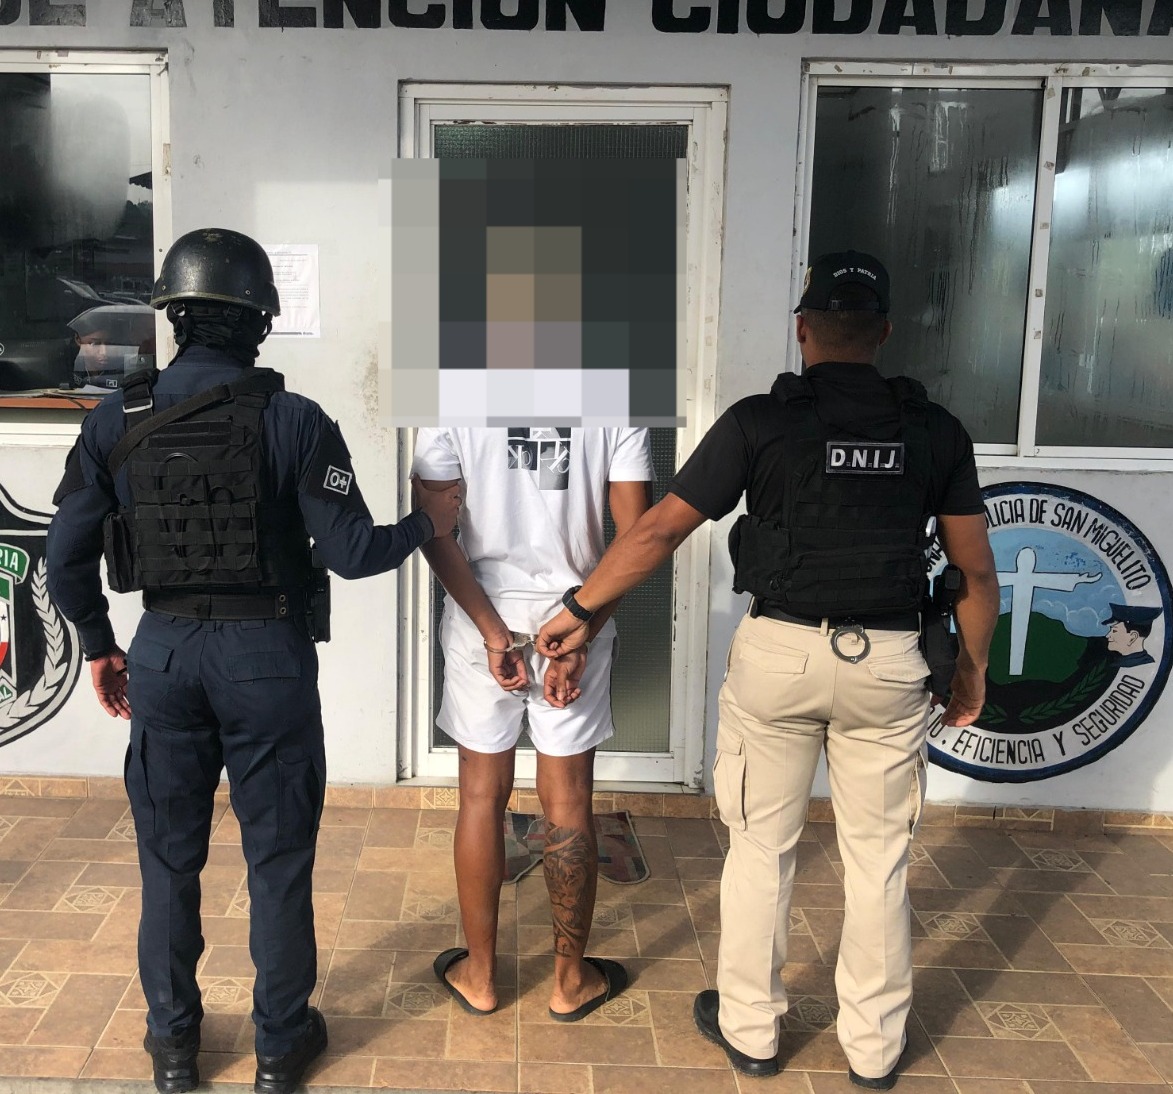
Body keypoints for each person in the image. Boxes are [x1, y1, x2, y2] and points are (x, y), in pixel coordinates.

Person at [537, 252, 1000, 1087]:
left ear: (801, 330)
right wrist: (971, 670)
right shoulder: (934, 430)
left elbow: (657, 531)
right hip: (889, 663)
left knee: (759, 850)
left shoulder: (760, 422)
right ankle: (873, 1050)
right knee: (879, 862)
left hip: (780, 657)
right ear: (884, 332)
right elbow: (974, 571)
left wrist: (578, 609)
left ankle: (751, 1033)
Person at [46, 228, 461, 1094]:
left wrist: (99, 645)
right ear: (260, 320)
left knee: (168, 862)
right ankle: (278, 1046)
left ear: (173, 316)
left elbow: (64, 558)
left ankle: (173, 1050)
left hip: (163, 653)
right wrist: (430, 525)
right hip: (266, 659)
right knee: (277, 860)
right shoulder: (294, 419)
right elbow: (351, 552)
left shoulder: (115, 419)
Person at [412, 426, 652, 1022]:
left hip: (480, 615)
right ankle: (570, 984)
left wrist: (492, 631)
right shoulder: (620, 390)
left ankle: (480, 977)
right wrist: (584, 630)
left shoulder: (447, 389)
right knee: (568, 799)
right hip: (577, 612)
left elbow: (432, 530)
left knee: (479, 796)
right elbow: (640, 536)